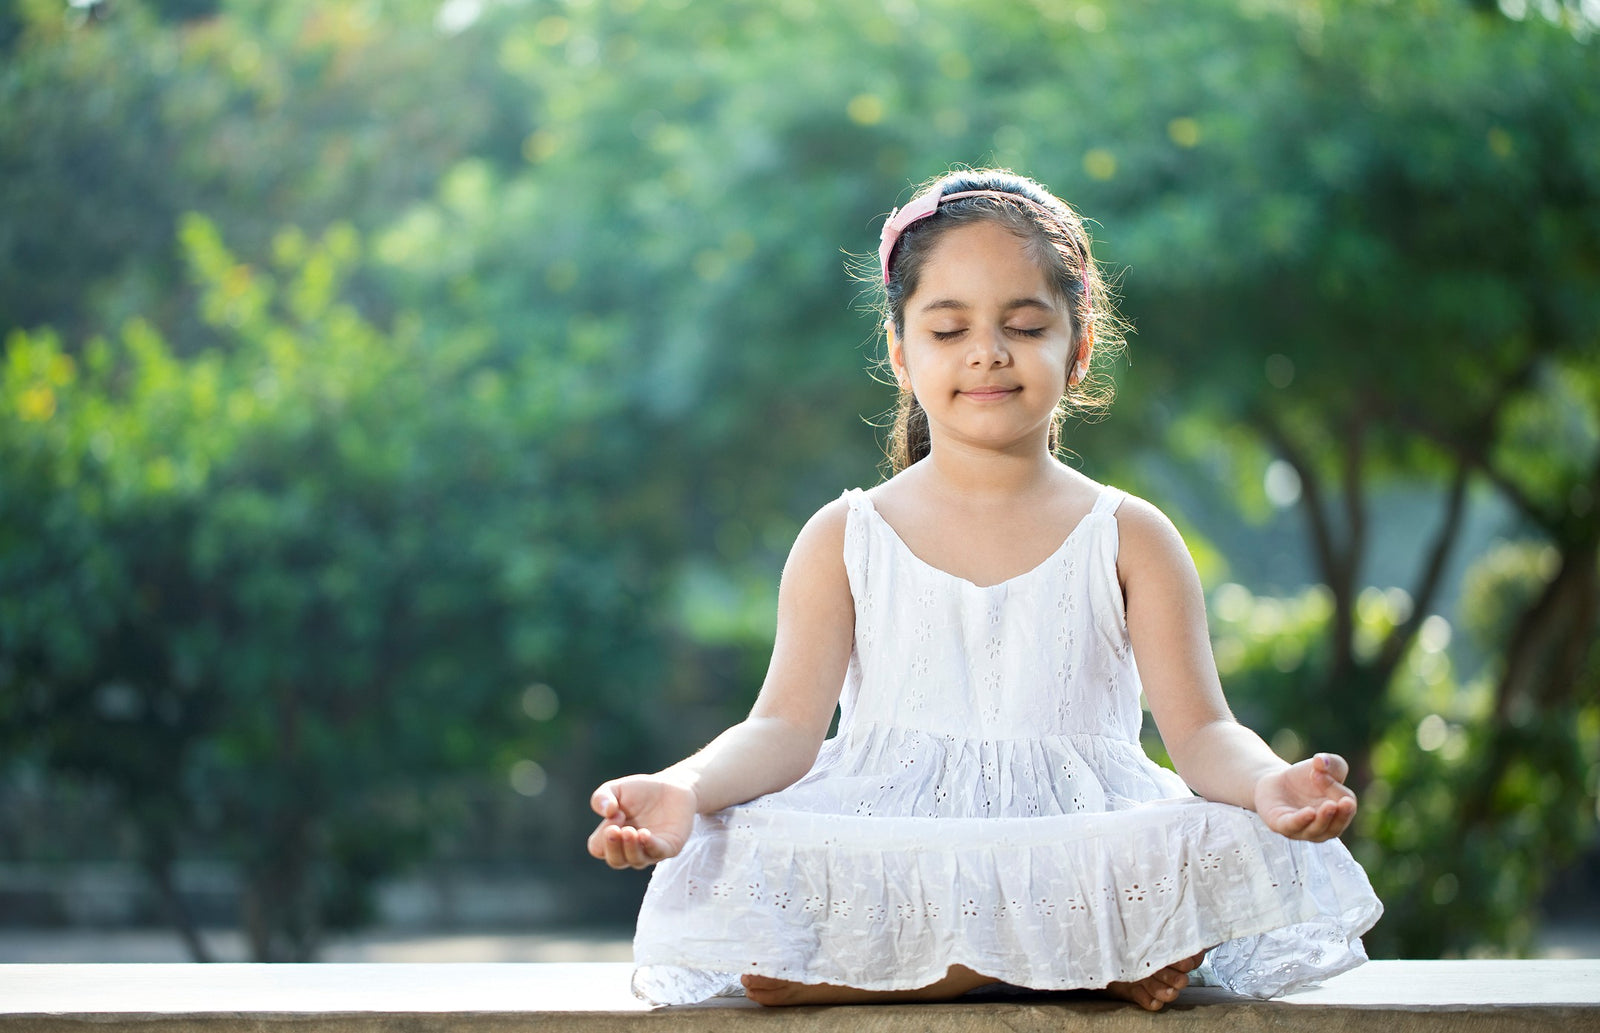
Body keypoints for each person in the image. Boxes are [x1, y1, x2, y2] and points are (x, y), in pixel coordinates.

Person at [586, 168, 1382, 1010]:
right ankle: (1076, 961)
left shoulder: (1129, 534)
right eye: (948, 328)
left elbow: (1203, 731)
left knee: (1231, 832)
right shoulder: (846, 534)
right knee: (728, 838)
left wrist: (1266, 785)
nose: (987, 352)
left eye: (1025, 324)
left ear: (1076, 350)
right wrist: (683, 786)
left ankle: (905, 973)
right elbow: (782, 727)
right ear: (901, 354)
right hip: (893, 833)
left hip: (1076, 831)